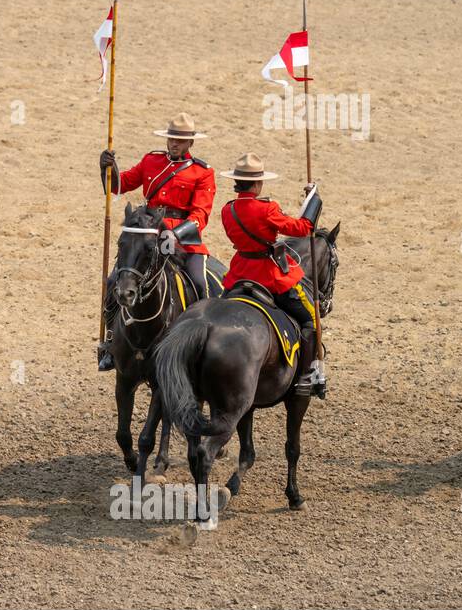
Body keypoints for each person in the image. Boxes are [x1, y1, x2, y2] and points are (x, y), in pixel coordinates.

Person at [97, 111, 217, 370]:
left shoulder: (202, 172)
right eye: (172, 138)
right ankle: (110, 342)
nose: (174, 143)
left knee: (199, 284)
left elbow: (201, 215)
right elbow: (119, 186)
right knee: (113, 281)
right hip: (146, 232)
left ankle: (199, 343)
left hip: (182, 238)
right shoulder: (151, 161)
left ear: (190, 143)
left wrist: (175, 234)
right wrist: (107, 168)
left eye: (180, 140)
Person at [218, 153, 326, 398]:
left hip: (238, 273)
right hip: (268, 275)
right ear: (257, 184)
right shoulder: (267, 208)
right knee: (311, 319)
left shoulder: (228, 210)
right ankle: (307, 377)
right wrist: (313, 199)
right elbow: (303, 228)